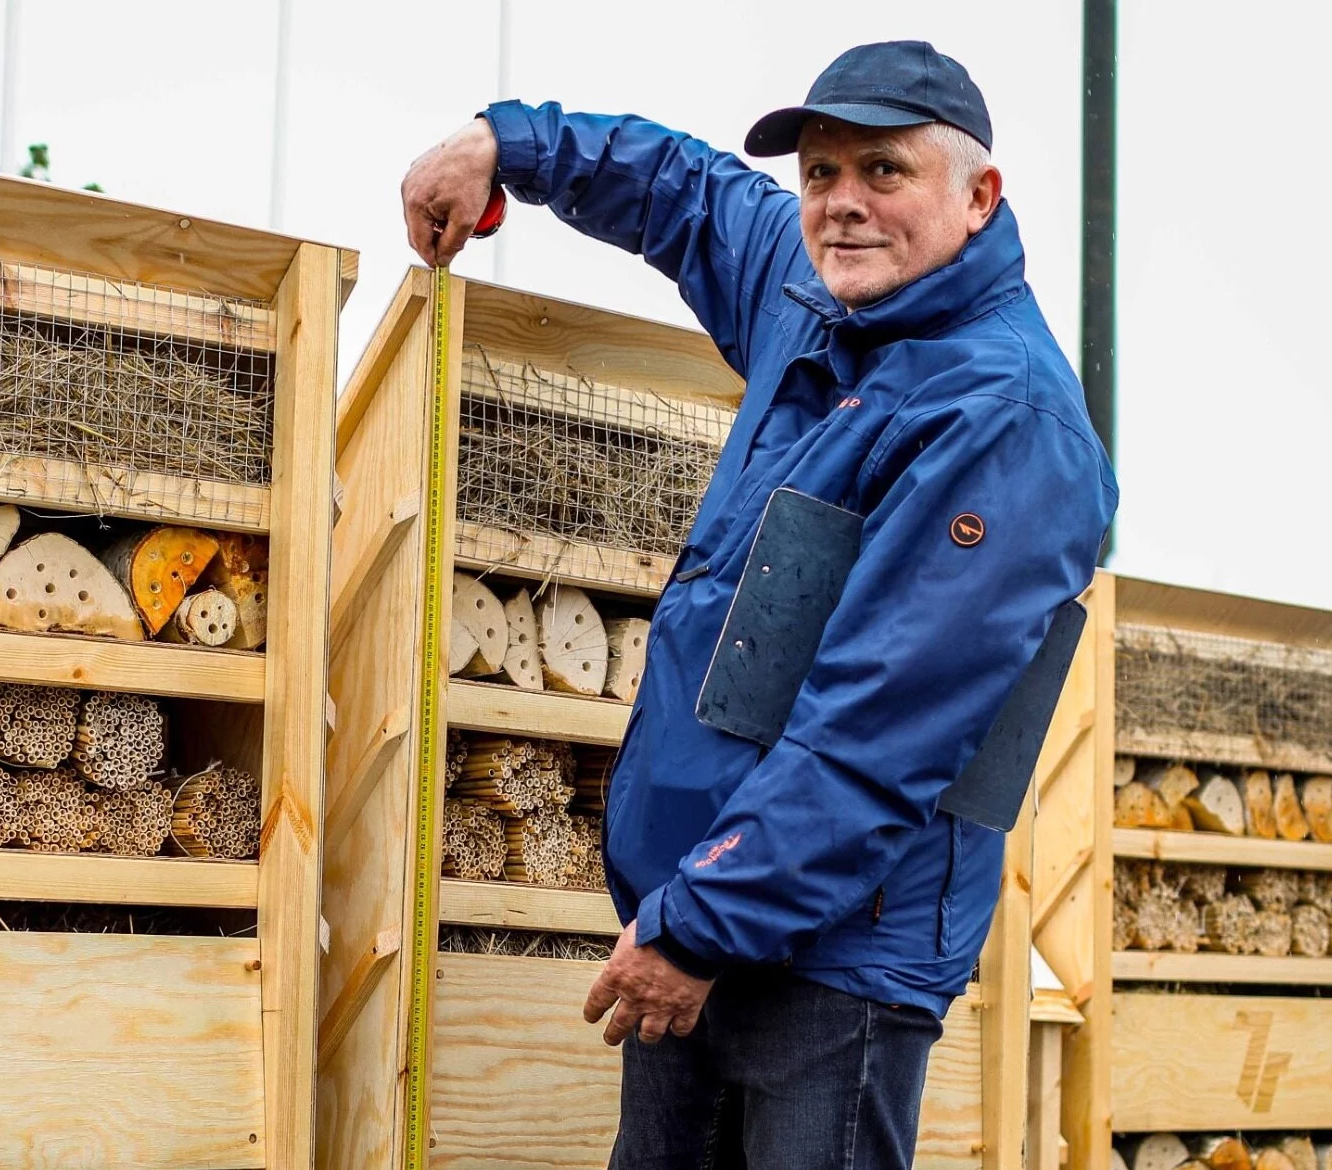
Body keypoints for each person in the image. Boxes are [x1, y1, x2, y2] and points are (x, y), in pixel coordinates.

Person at [400, 41, 1117, 1169]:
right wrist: (506, 145)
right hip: (699, 912)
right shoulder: (817, 297)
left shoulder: (1002, 417)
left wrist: (697, 927)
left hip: (832, 965)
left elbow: (879, 730)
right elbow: (686, 191)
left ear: (977, 197)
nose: (842, 205)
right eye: (821, 173)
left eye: (883, 172)